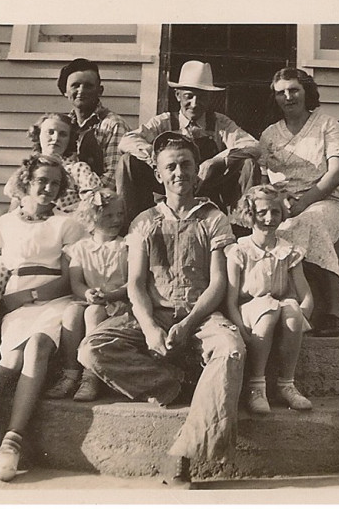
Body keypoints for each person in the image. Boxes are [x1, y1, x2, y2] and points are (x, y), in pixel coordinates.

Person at [78, 132, 245, 489]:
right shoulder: (144, 221)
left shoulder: (213, 218)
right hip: (154, 312)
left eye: (186, 164)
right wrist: (151, 327)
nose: (179, 172)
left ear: (198, 170)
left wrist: (188, 324)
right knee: (92, 347)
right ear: (158, 174)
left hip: (200, 316)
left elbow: (218, 284)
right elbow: (137, 283)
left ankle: (184, 452)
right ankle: (173, 386)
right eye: (171, 166)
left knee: (230, 350)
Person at [0, 154, 86, 481]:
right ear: (27, 182)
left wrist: (27, 296)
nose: (48, 188)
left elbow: (69, 279)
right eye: (42, 180)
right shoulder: (4, 224)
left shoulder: (67, 224)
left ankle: (11, 444)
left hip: (53, 302)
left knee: (38, 346)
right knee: (7, 367)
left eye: (55, 183)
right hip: (14, 310)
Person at [260, 67, 339, 337]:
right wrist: (281, 201)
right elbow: (263, 179)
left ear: (306, 92)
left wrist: (304, 202)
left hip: (324, 200)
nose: (288, 97)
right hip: (283, 204)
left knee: (308, 221)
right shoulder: (269, 135)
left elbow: (337, 172)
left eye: (294, 90)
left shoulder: (326, 124)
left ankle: (336, 306)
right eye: (281, 93)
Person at [117, 60, 262, 223]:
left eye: (201, 97)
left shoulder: (220, 123)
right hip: (169, 188)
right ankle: (127, 224)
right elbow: (127, 141)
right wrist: (157, 158)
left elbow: (254, 146)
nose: (194, 104)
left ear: (209, 98)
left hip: (207, 190)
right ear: (177, 95)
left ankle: (244, 227)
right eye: (189, 96)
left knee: (248, 164)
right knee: (127, 161)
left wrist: (217, 161)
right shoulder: (163, 121)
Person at [225, 185, 313, 414]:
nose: (269, 218)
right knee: (270, 308)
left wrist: (298, 321)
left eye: (275, 212)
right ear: (250, 214)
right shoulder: (240, 250)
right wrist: (239, 327)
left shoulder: (288, 250)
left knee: (291, 309)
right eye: (262, 212)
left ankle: (287, 384)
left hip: (276, 308)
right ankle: (256, 386)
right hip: (249, 310)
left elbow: (305, 296)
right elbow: (231, 299)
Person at [44, 188, 129, 402]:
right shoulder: (80, 248)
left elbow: (132, 284)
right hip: (90, 300)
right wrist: (87, 292)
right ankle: (71, 372)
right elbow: (76, 283)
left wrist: (110, 296)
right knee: (72, 312)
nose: (116, 219)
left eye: (119, 214)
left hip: (118, 304)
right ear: (92, 219)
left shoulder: (125, 246)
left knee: (93, 313)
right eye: (108, 215)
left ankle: (91, 375)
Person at [3, 113, 103, 213]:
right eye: (50, 132)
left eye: (63, 134)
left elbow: (96, 202)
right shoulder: (28, 169)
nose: (56, 138)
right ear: (38, 135)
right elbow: (14, 209)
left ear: (70, 140)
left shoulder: (78, 169)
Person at [57, 58, 132, 189]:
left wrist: (82, 197)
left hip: (99, 200)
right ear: (65, 91)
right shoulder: (62, 126)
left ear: (100, 90)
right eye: (75, 85)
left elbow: (113, 178)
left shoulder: (113, 125)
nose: (81, 90)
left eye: (88, 85)